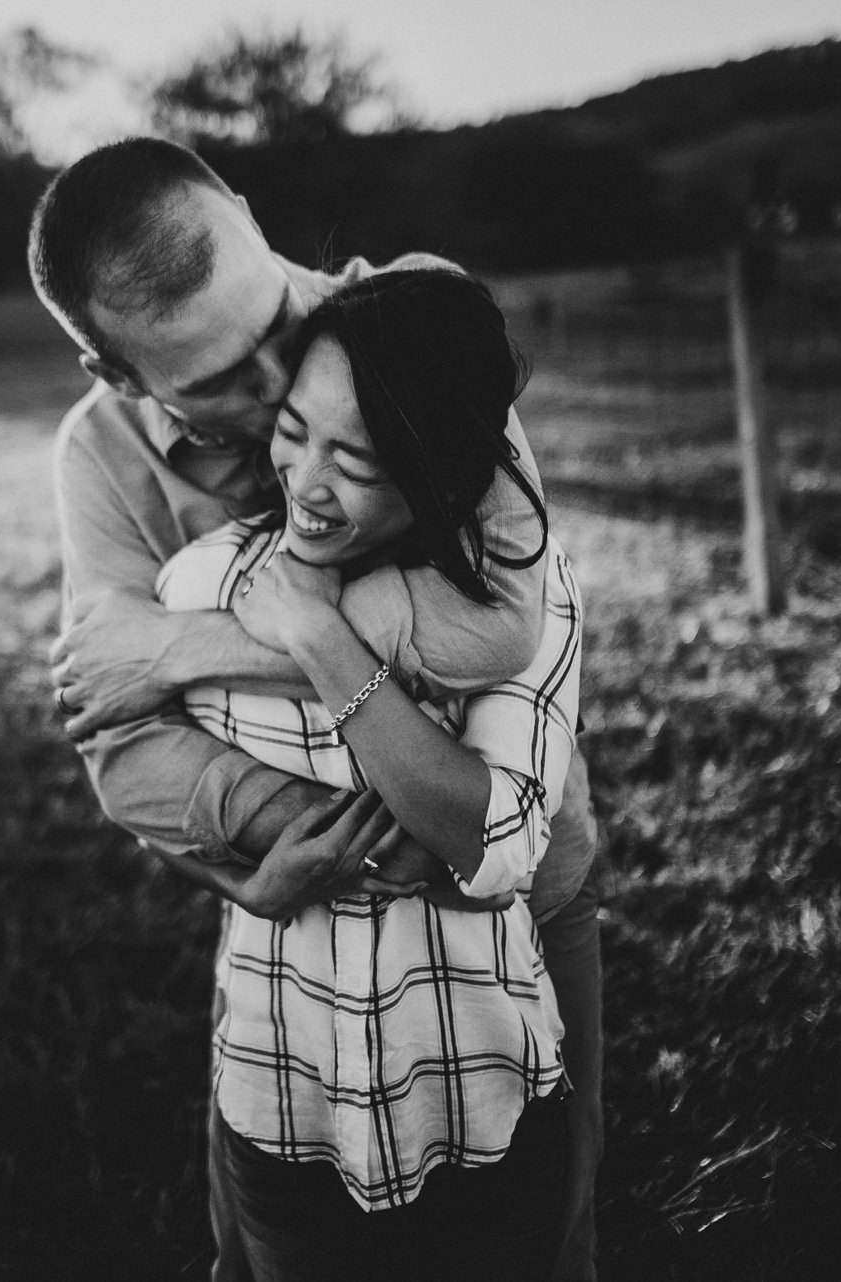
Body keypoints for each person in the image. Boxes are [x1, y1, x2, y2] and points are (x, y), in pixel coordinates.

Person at [28, 137, 602, 1279]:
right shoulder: (97, 461)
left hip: (515, 900)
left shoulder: (411, 324)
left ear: (249, 214)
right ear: (118, 372)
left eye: (276, 321)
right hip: (299, 936)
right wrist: (308, 851)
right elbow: (121, 745)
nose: (280, 381)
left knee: (539, 1246)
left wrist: (185, 646)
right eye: (222, 382)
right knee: (270, 1255)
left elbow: (496, 624)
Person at [154, 265, 578, 1278]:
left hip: (480, 1097)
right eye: (295, 431)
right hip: (279, 1091)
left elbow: (497, 837)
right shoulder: (205, 584)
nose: (306, 480)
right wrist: (247, 877)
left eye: (359, 457)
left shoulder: (522, 601)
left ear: (437, 471)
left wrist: (320, 637)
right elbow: (148, 776)